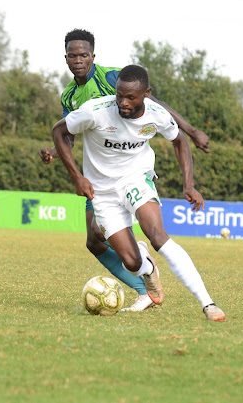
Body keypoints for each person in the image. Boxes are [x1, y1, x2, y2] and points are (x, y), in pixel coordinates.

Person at [40, 29, 209, 312]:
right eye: (73, 55)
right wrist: (55, 152)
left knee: (108, 234)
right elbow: (70, 132)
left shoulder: (111, 78)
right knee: (94, 241)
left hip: (129, 169)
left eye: (83, 55)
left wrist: (190, 131)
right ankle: (143, 275)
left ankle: (144, 286)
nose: (78, 60)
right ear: (66, 58)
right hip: (98, 173)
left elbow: (154, 106)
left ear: (93, 56)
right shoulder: (70, 95)